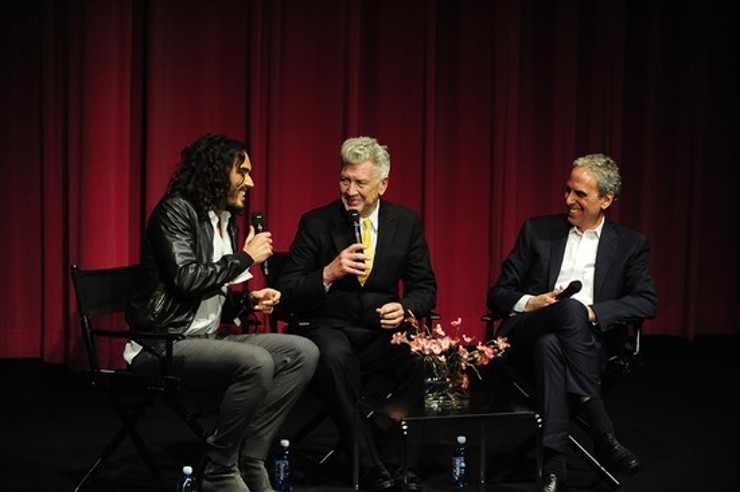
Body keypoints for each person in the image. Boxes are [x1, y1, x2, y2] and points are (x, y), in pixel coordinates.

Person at [124, 133, 319, 492]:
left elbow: (209, 296)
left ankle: (251, 457)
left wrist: (247, 302)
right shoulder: (175, 210)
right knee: (257, 361)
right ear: (215, 171)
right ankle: (220, 468)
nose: (251, 182)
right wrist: (245, 259)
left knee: (302, 352)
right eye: (242, 172)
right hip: (161, 343)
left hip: (204, 339)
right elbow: (185, 279)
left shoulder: (225, 221)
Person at [486, 153, 658, 492]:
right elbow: (498, 294)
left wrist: (593, 312)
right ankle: (601, 429)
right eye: (568, 191)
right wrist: (532, 302)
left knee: (555, 339)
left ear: (606, 200)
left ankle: (553, 463)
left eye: (580, 194)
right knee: (566, 311)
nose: (568, 200)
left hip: (586, 342)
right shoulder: (538, 230)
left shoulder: (630, 244)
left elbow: (647, 300)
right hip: (527, 331)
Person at [274, 136, 437, 491]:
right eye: (345, 180)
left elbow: (425, 288)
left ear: (382, 185)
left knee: (418, 359)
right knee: (333, 358)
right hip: (330, 327)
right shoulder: (316, 223)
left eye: (360, 182)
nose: (350, 190)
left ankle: (400, 463)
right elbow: (286, 292)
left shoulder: (405, 222)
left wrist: (405, 307)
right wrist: (328, 273)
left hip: (381, 332)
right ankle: (368, 467)